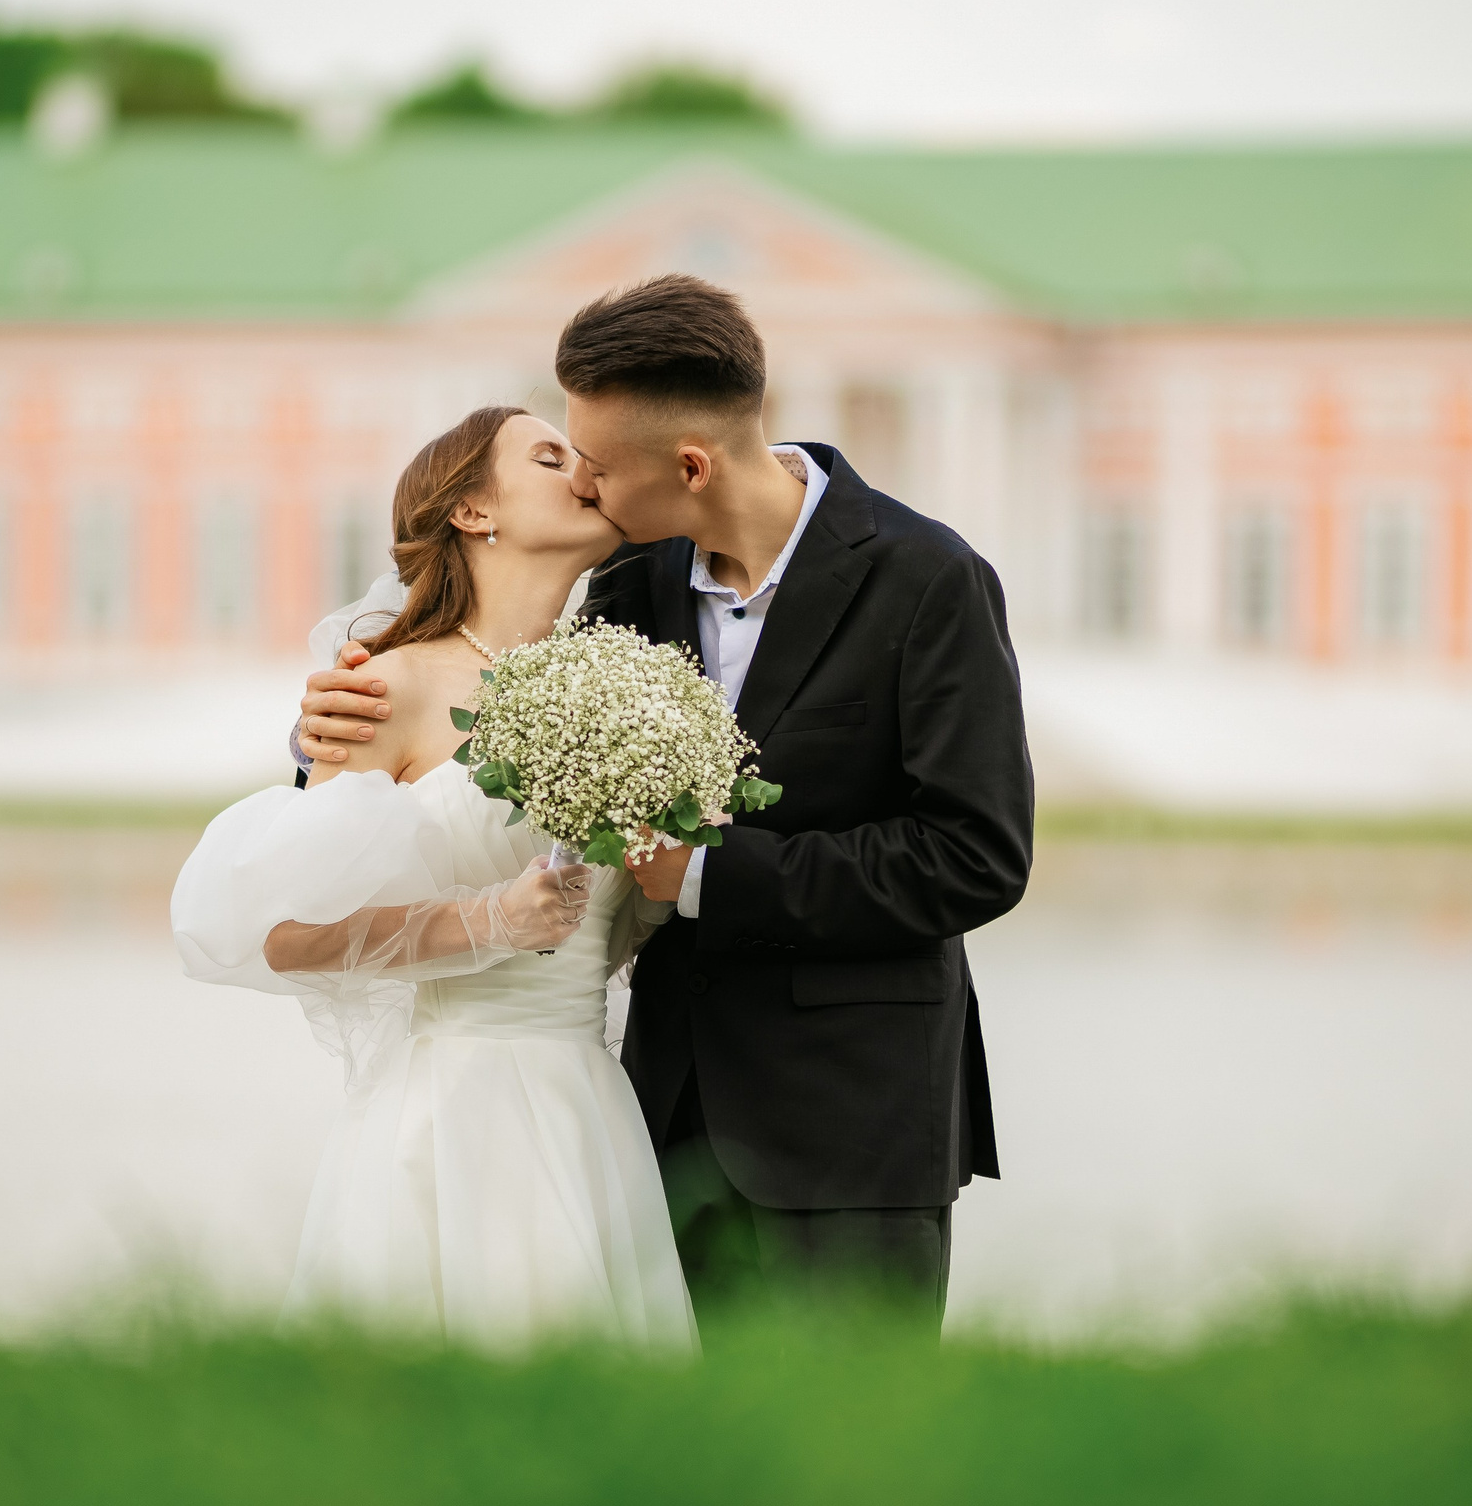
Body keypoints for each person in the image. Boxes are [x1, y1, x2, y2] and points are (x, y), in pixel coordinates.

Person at [297, 276, 1034, 1325]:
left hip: (854, 1127)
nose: (582, 486)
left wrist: (703, 878)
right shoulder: (626, 583)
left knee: (850, 1428)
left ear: (689, 466)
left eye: (595, 466)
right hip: (656, 1130)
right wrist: (328, 725)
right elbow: (467, 675)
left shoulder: (928, 579)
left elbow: (975, 855)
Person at [174, 406, 695, 1352]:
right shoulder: (385, 688)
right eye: (550, 456)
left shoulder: (622, 691)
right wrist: (491, 920)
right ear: (473, 510)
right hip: (453, 1106)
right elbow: (286, 938)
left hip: (587, 1101)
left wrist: (661, 883)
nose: (584, 471)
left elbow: (614, 929)